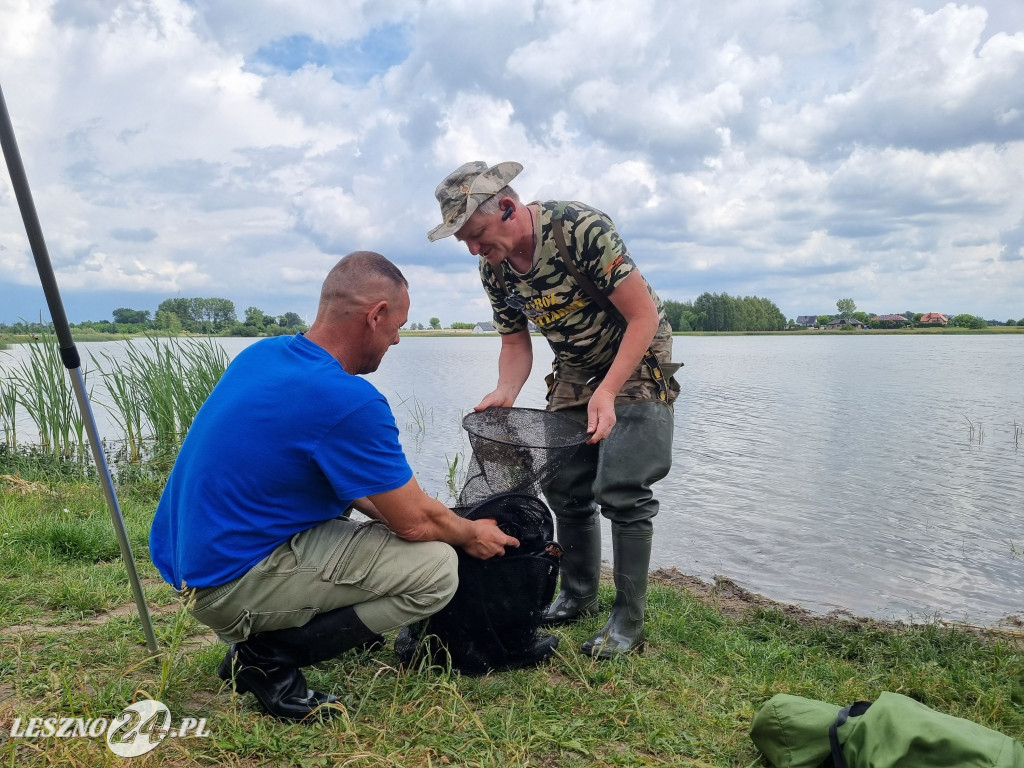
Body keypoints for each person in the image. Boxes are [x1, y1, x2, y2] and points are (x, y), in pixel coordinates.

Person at [149, 251, 518, 721]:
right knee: (436, 569)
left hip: (191, 562)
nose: (398, 339)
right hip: (228, 585)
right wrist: (469, 532)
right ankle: (267, 658)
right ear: (376, 315)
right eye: (397, 325)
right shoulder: (347, 399)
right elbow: (415, 521)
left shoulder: (265, 354)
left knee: (387, 519)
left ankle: (269, 635)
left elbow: (375, 497)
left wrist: (420, 517)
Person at [427, 162, 679, 659]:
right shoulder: (493, 266)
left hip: (637, 357)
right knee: (564, 485)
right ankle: (578, 594)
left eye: (476, 234)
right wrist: (505, 389)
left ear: (506, 207)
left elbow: (643, 315)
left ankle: (628, 620)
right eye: (466, 243)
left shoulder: (579, 228)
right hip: (574, 369)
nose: (475, 249)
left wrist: (608, 392)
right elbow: (516, 343)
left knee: (624, 488)